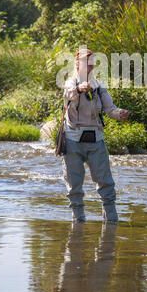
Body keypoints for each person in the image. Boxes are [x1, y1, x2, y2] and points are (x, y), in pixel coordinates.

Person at [61, 48, 129, 223]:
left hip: (96, 140)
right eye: (85, 61)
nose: (89, 65)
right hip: (73, 140)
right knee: (74, 186)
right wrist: (79, 88)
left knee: (106, 182)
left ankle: (111, 221)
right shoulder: (70, 82)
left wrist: (120, 113)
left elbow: (110, 109)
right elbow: (68, 93)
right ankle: (78, 223)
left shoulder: (99, 86)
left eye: (91, 61)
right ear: (77, 64)